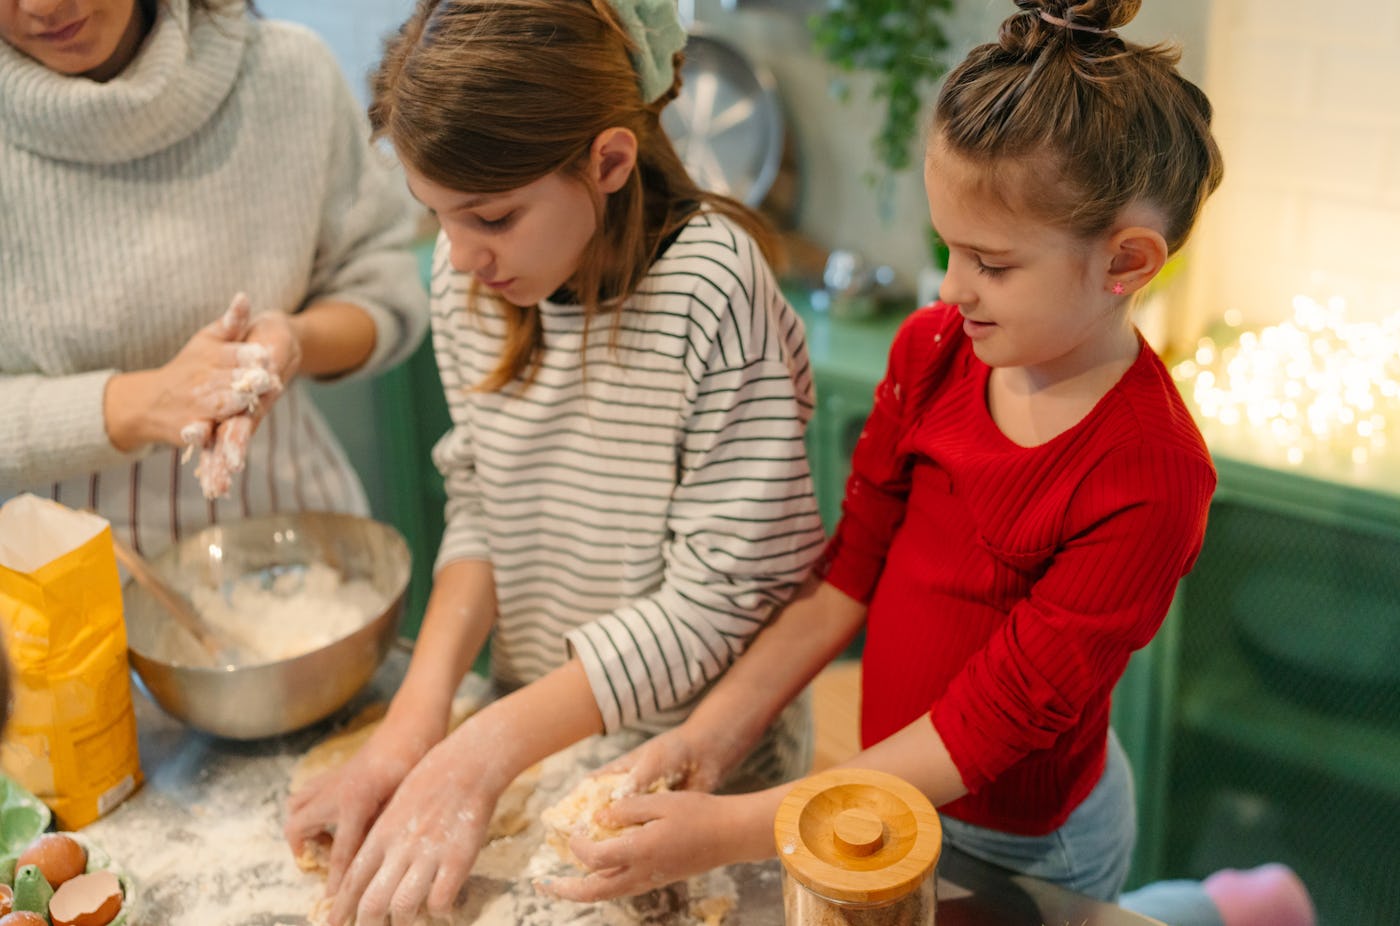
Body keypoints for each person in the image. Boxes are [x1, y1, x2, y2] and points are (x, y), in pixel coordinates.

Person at [536, 3, 1316, 926]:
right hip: (887, 788)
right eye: (948, 248)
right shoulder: (933, 351)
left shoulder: (1149, 477)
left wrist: (726, 831)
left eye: (991, 262)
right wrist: (710, 736)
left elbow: (988, 724)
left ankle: (1228, 905)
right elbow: (844, 578)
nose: (951, 288)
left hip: (1029, 836)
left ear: (1126, 262)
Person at [280, 1, 826, 923]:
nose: (457, 255)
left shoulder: (712, 289)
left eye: (490, 216)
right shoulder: (470, 282)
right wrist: (419, 722)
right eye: (435, 216)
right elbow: (484, 505)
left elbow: (724, 599)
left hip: (688, 778)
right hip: (541, 736)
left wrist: (480, 751)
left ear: (608, 162)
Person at [0, 0, 427, 552]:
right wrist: (145, 402)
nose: (42, 5)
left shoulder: (287, 73)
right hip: (59, 585)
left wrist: (293, 342)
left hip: (294, 542)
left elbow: (382, 289)